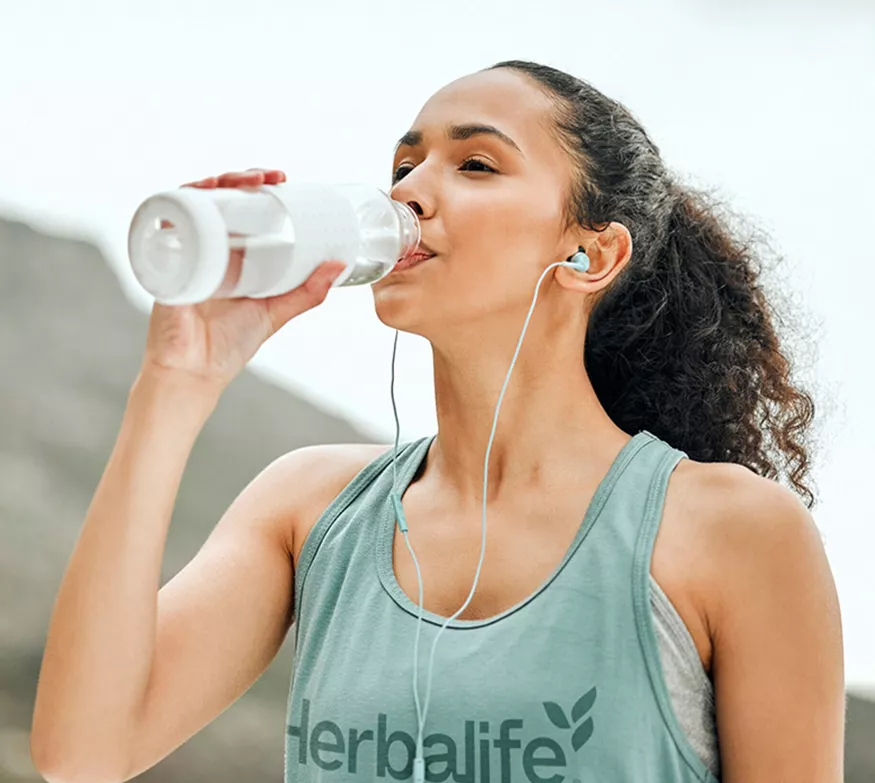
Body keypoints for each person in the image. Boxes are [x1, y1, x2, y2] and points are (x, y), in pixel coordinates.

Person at [30, 62, 845, 783]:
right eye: (404, 163)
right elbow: (83, 754)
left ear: (589, 255)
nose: (408, 192)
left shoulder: (732, 531)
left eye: (476, 163)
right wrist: (176, 382)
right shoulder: (309, 508)